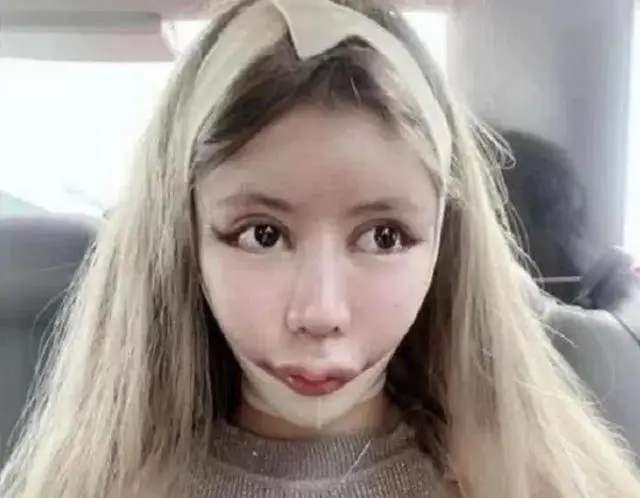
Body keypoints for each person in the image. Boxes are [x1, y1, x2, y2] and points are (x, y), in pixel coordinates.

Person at [1, 1, 639, 497]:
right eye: (262, 234)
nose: (320, 313)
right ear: (184, 239)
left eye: (384, 237)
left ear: (445, 245)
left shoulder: (538, 486)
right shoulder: (93, 487)